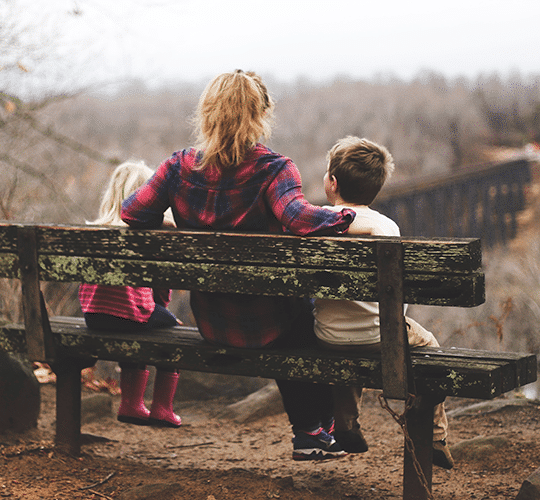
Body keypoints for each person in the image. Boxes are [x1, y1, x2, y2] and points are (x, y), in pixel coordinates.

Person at [121, 69, 356, 460]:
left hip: (213, 321)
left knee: (295, 316)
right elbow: (298, 218)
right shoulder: (273, 169)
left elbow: (132, 213)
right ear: (261, 115)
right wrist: (346, 216)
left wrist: (168, 222)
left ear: (207, 113)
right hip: (271, 323)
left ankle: (316, 431)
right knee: (307, 318)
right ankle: (314, 430)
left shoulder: (178, 167)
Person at [313, 135, 454, 469]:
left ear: (332, 183)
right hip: (381, 336)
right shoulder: (386, 226)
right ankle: (435, 436)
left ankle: (346, 424)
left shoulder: (315, 222)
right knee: (430, 346)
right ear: (375, 189)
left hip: (327, 336)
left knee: (346, 340)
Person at [79, 161, 183, 428]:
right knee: (172, 330)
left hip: (94, 316)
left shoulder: (96, 231)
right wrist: (163, 309)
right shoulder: (146, 234)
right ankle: (161, 408)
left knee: (137, 321)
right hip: (129, 314)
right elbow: (160, 287)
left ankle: (132, 404)